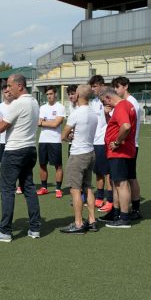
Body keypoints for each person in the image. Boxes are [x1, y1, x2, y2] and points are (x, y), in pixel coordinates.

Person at [0, 74, 42, 242]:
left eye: (10, 85)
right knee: (29, 188)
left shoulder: (18, 104)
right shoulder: (34, 102)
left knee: (7, 190)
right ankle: (35, 228)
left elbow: (1, 128)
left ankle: (5, 230)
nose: (8, 89)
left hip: (14, 150)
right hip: (30, 149)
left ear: (19, 86)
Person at [60, 85, 98, 234]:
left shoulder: (76, 113)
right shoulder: (93, 113)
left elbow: (64, 135)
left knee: (75, 190)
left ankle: (78, 223)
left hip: (78, 154)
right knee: (87, 187)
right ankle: (92, 220)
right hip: (90, 152)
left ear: (79, 95)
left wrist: (68, 136)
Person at [98, 86, 137, 228]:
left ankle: (124, 217)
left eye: (104, 101)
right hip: (122, 151)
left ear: (108, 97)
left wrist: (117, 142)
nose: (105, 104)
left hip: (120, 151)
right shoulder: (127, 105)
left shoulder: (121, 107)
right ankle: (117, 213)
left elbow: (125, 126)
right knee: (117, 183)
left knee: (121, 184)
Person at [111, 76, 143, 220]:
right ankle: (122, 210)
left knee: (129, 179)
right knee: (126, 179)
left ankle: (134, 210)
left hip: (128, 145)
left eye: (118, 87)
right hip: (127, 144)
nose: (116, 90)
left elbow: (127, 126)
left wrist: (118, 142)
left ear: (125, 87)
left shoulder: (130, 103)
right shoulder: (126, 102)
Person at [36, 85, 65, 198]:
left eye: (51, 94)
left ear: (55, 94)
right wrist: (49, 122)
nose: (49, 96)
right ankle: (44, 188)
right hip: (43, 140)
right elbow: (39, 123)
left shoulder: (60, 107)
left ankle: (58, 189)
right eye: (47, 94)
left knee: (58, 166)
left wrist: (45, 122)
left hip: (55, 141)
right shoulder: (42, 108)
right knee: (42, 165)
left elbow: (55, 124)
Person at [89, 75, 112, 211]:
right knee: (98, 171)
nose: (93, 89)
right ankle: (99, 197)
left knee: (107, 172)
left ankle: (110, 200)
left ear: (102, 86)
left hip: (104, 141)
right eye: (91, 86)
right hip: (94, 141)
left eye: (95, 86)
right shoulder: (94, 102)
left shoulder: (108, 100)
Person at [0, 82, 19, 193]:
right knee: (4, 163)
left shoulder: (17, 104)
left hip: (15, 140)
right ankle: (7, 184)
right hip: (3, 140)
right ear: (3, 93)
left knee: (16, 164)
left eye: (9, 91)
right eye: (5, 92)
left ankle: (19, 185)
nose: (8, 94)